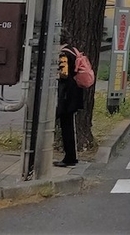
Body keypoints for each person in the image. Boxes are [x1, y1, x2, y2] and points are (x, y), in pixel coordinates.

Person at [56, 29, 84, 168]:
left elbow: (64, 74)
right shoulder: (72, 50)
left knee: (66, 125)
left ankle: (69, 157)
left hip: (67, 93)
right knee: (68, 124)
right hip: (74, 91)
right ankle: (71, 156)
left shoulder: (64, 54)